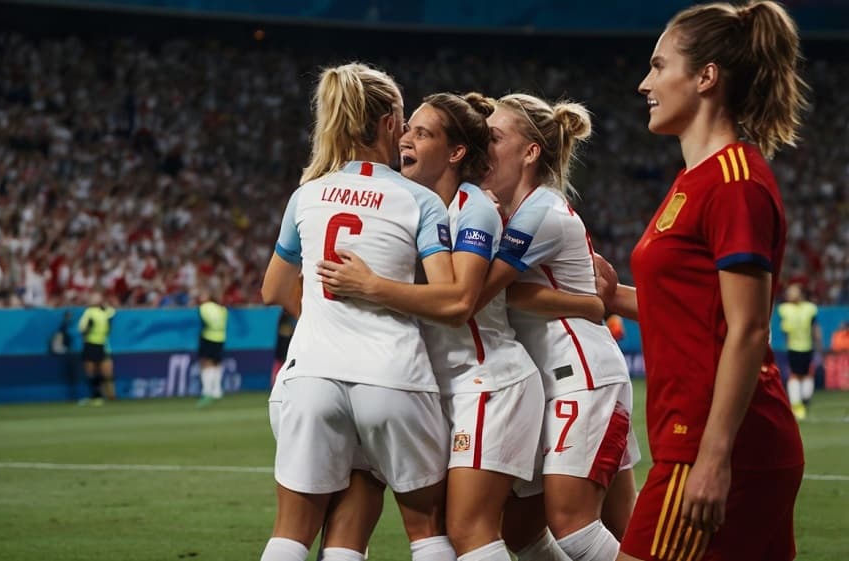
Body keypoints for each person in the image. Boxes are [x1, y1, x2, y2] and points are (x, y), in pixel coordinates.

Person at [318, 91, 609, 561]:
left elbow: (461, 303)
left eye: (422, 133)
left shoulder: (474, 206)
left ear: (455, 153)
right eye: (407, 130)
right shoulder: (407, 204)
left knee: (471, 529)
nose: (405, 140)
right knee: (508, 534)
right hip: (441, 386)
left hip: (488, 382)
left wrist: (371, 285)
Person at [600, 2, 808, 560]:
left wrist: (714, 458)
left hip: (713, 445)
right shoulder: (695, 179)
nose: (645, 83)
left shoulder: (734, 183)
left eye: (658, 65)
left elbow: (748, 328)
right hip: (718, 441)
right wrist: (612, 296)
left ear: (706, 77)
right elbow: (698, 309)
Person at [260, 62, 458, 561]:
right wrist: (378, 290)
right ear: (390, 122)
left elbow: (272, 289)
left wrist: (322, 316)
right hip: (391, 376)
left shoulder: (307, 194)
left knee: (291, 533)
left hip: (311, 376)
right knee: (426, 529)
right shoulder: (419, 200)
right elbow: (447, 297)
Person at [462, 93, 632, 561]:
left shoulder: (539, 213)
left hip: (580, 377)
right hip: (556, 380)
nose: (482, 148)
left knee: (574, 528)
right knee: (524, 532)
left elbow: (477, 293)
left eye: (494, 138)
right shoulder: (514, 211)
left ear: (530, 152)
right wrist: (586, 302)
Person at [777, 283, 821, 420]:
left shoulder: (809, 308)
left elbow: (815, 328)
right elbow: (785, 330)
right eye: (789, 292)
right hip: (793, 348)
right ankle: (797, 406)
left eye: (793, 291)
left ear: (801, 294)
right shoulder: (784, 309)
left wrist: (818, 346)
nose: (790, 294)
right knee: (795, 375)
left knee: (807, 374)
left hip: (808, 347)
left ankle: (804, 400)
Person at [78, 292, 116, 404]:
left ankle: (108, 395)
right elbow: (82, 328)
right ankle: (96, 395)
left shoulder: (105, 311)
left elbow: (112, 313)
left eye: (97, 298)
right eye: (93, 298)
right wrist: (87, 329)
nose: (95, 300)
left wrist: (104, 305)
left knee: (104, 371)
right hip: (90, 343)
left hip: (101, 344)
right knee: (90, 371)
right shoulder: (88, 312)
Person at [197, 287, 228, 407]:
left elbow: (205, 322)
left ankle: (207, 392)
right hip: (221, 338)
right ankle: (217, 391)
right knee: (217, 363)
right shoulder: (222, 309)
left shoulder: (204, 307)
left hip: (208, 337)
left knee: (206, 364)